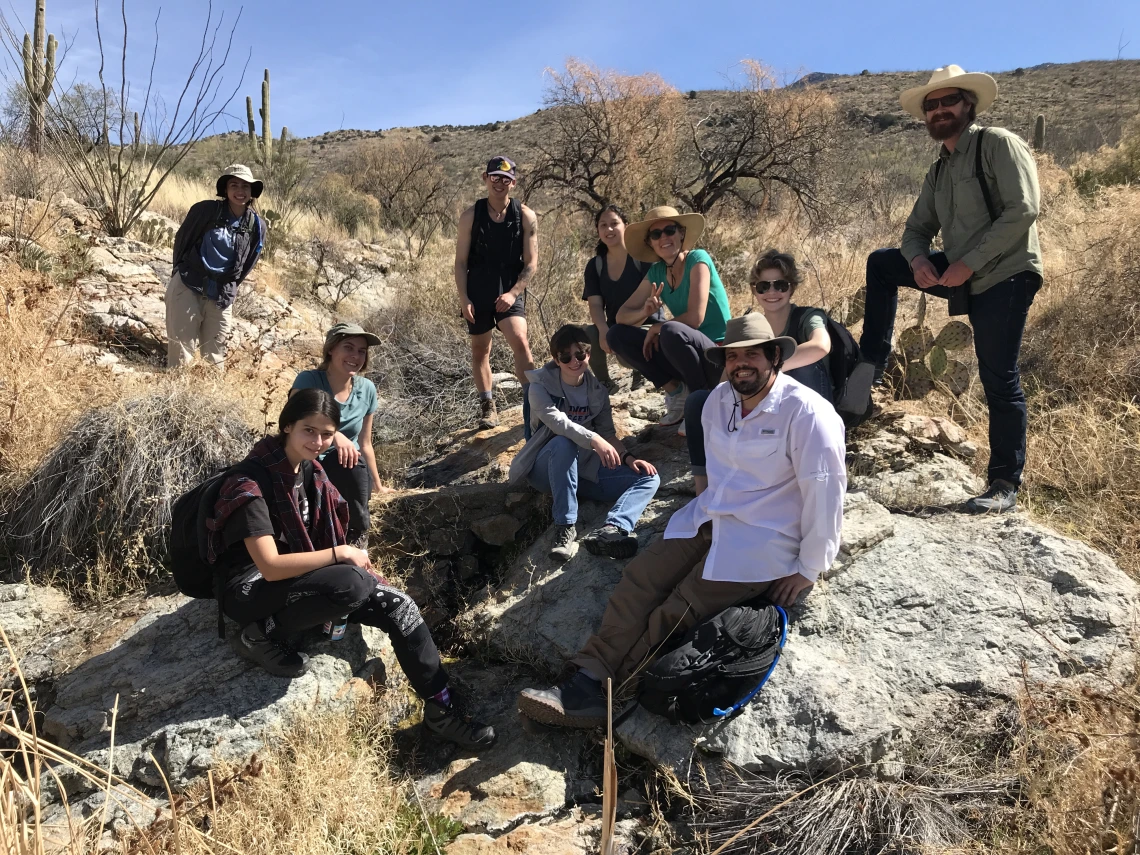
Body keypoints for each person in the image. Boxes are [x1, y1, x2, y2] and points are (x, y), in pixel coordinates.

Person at [517, 314, 846, 728]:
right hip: (710, 518)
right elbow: (715, 470)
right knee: (641, 577)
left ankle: (607, 693)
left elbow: (826, 492)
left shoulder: (808, 414)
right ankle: (587, 671)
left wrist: (809, 568)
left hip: (765, 539)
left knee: (681, 605)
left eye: (753, 355)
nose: (741, 364)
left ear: (775, 356)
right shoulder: (719, 401)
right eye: (733, 356)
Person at [207, 388, 496, 750]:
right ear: (286, 427)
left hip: (299, 573)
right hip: (250, 589)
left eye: (326, 433)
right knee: (350, 585)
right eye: (308, 431)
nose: (317, 441)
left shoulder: (310, 472)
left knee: (400, 606)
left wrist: (341, 556)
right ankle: (260, 633)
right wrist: (337, 553)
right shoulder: (250, 485)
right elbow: (269, 566)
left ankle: (440, 709)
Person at [859, 65, 1043, 514]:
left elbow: (1023, 210)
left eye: (949, 101)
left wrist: (967, 264)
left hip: (1005, 272)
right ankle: (869, 372)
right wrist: (920, 259)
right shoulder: (939, 168)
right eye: (931, 105)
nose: (939, 110)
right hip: (963, 270)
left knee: (999, 377)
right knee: (884, 264)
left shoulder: (996, 143)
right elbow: (916, 228)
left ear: (968, 105)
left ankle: (1003, 484)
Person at [683, 249, 835, 494]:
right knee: (698, 401)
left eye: (780, 285)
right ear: (754, 290)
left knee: (804, 367)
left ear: (792, 288)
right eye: (763, 286)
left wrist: (770, 368)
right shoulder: (750, 324)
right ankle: (703, 489)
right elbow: (728, 376)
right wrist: (718, 398)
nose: (772, 292)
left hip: (806, 406)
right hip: (761, 405)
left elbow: (820, 345)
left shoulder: (807, 316)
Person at [510, 325, 661, 562]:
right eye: (566, 356)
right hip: (546, 468)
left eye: (580, 355)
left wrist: (629, 458)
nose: (574, 361)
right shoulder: (539, 386)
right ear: (555, 359)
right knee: (563, 443)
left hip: (584, 473)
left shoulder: (598, 392)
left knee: (649, 478)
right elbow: (557, 422)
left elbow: (608, 434)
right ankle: (565, 528)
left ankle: (613, 529)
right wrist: (594, 439)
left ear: (588, 354)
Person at [606, 206, 732, 430]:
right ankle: (677, 392)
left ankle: (700, 402)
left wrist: (657, 327)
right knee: (617, 335)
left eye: (670, 230)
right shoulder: (656, 272)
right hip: (688, 355)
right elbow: (621, 316)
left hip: (718, 354)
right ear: (651, 243)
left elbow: (695, 318)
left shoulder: (698, 259)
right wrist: (645, 313)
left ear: (681, 234)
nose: (664, 237)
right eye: (656, 234)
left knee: (671, 331)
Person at [291, 323, 393, 549]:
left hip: (348, 468)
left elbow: (365, 444)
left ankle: (357, 536)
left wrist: (378, 485)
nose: (355, 356)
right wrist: (334, 436)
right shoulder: (308, 380)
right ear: (331, 350)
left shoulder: (366, 388)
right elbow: (294, 420)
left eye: (361, 351)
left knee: (354, 462)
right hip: (309, 461)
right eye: (348, 347)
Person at [454, 156, 537, 431]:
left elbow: (531, 264)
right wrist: (464, 298)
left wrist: (513, 294)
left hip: (509, 290)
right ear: (485, 178)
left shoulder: (524, 215)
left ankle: (534, 402)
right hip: (478, 290)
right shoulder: (470, 216)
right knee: (481, 351)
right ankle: (488, 407)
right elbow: (461, 262)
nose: (499, 182)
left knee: (521, 341)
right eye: (494, 177)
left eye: (505, 178)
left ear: (513, 182)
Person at [166, 164, 266, 368]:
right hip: (188, 284)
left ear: (252, 191)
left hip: (222, 294)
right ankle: (176, 396)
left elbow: (248, 262)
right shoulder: (205, 210)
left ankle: (209, 397)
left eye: (246, 186)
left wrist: (231, 285)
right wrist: (178, 271)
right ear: (225, 189)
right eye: (234, 185)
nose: (240, 191)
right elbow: (183, 240)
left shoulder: (256, 225)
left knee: (215, 357)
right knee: (181, 352)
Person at [581, 205, 660, 389]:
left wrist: (621, 332)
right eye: (603, 225)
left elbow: (653, 301)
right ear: (598, 230)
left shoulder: (643, 259)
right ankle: (604, 383)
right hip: (616, 326)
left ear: (626, 226)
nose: (609, 229)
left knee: (627, 344)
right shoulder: (595, 265)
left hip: (646, 324)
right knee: (589, 333)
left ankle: (641, 373)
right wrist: (602, 330)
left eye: (614, 223)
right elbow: (595, 305)